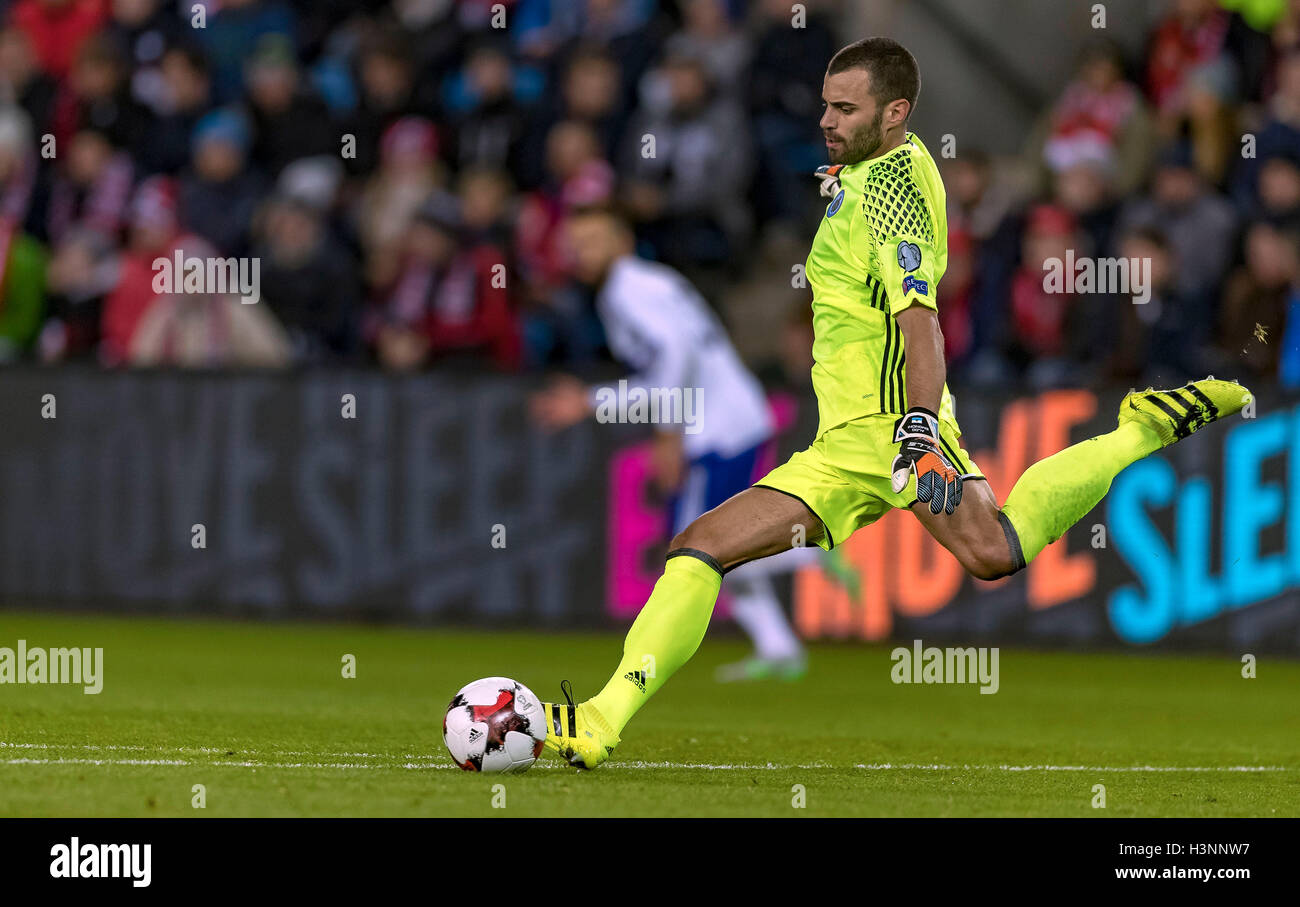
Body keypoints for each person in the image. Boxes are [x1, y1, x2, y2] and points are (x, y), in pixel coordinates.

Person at [538, 37, 1252, 769]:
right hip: (840, 444)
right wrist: (844, 179)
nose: (827, 119)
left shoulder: (893, 198)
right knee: (700, 546)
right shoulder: (873, 173)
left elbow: (921, 320)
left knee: (995, 551)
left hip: (892, 429)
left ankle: (1140, 429)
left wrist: (918, 428)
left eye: (846, 109)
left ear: (896, 111)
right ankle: (600, 718)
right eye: (825, 104)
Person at [530, 205, 808, 682]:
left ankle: (814, 552)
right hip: (728, 418)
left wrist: (665, 434)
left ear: (620, 241)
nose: (581, 252)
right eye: (575, 244)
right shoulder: (647, 283)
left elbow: (674, 362)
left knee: (700, 543)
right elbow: (671, 364)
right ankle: (778, 644)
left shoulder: (626, 291)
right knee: (712, 542)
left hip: (720, 427)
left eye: (592, 239)